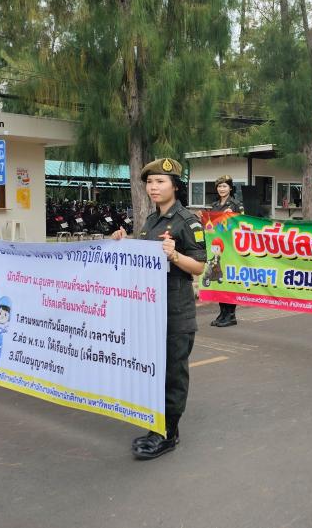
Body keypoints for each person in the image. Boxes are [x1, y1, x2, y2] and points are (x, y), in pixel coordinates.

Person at [113, 158, 206, 459]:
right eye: (150, 182)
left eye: (160, 182)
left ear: (175, 186)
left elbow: (199, 266)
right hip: (150, 310)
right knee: (154, 370)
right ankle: (157, 426)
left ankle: (168, 433)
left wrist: (175, 255)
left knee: (173, 373)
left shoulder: (188, 221)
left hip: (175, 311)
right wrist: (123, 243)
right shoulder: (151, 221)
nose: (153, 187)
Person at [208, 175, 244, 328]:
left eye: (224, 186)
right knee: (218, 278)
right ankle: (222, 312)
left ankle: (231, 314)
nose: (221, 189)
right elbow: (211, 224)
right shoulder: (214, 205)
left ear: (230, 188)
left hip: (231, 248)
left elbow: (243, 224)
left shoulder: (236, 205)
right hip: (217, 247)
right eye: (219, 186)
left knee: (229, 281)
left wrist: (233, 215)